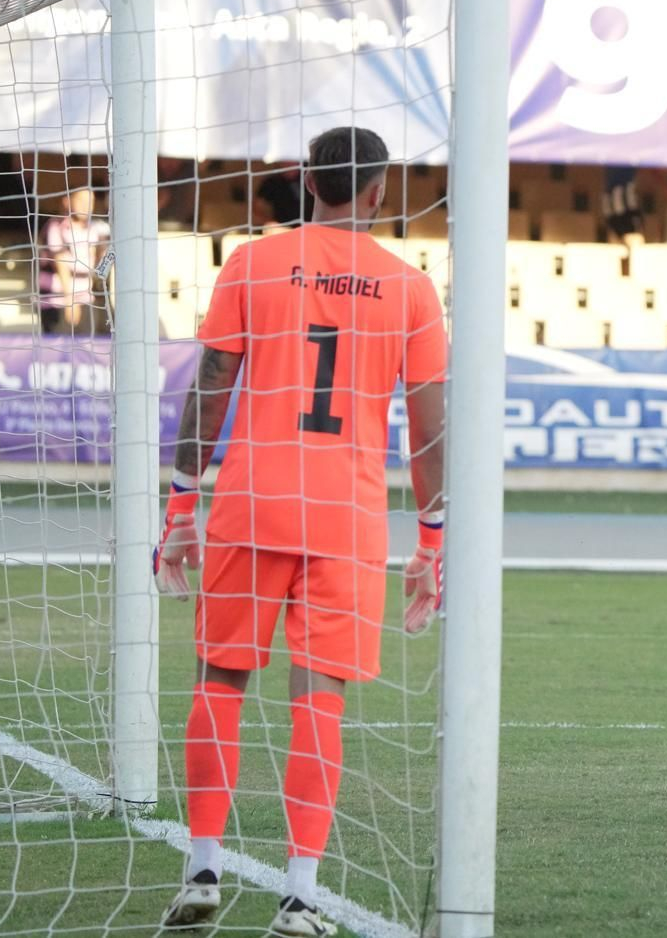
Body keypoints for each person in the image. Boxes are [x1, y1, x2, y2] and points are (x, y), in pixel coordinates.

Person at [154, 127, 449, 934]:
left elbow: (209, 391)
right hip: (345, 520)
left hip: (250, 504)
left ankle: (203, 868)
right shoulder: (410, 288)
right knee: (317, 702)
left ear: (306, 181)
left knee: (220, 679)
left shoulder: (250, 262)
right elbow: (430, 433)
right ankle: (301, 896)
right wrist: (432, 543)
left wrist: (180, 510)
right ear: (381, 191)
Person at [38, 186, 110, 335]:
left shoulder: (96, 229)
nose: (86, 206)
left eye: (91, 201)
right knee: (58, 352)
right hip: (57, 302)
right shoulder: (56, 226)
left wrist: (106, 253)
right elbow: (61, 264)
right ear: (67, 202)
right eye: (81, 200)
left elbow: (101, 268)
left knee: (86, 351)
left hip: (86, 299)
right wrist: (70, 301)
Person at [253, 162, 305, 227]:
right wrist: (269, 222)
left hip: (310, 229)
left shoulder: (309, 179)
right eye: (287, 163)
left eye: (294, 163)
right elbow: (257, 207)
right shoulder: (272, 182)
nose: (290, 166)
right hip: (282, 230)